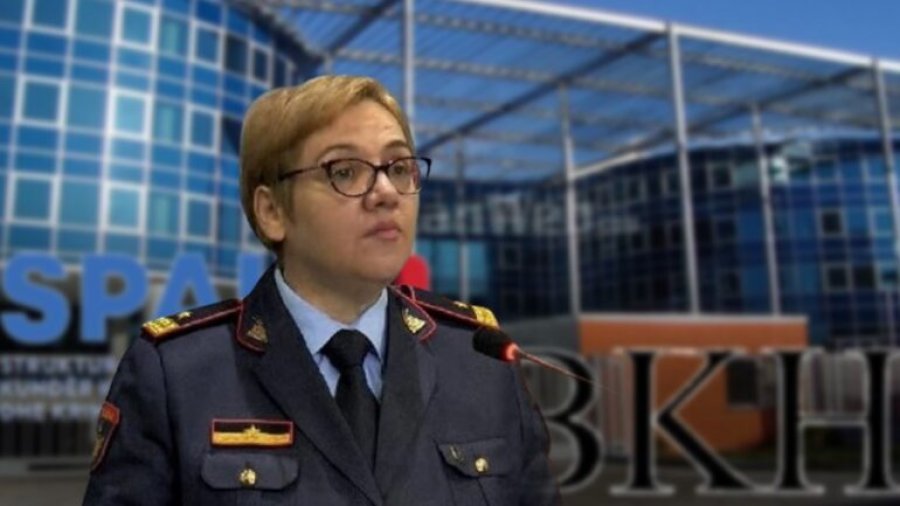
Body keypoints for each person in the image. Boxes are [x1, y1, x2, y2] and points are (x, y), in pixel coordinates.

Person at [82, 75, 560, 505]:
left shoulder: (480, 360)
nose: (386, 192)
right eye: (345, 171)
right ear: (272, 212)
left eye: (399, 167)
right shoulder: (176, 374)